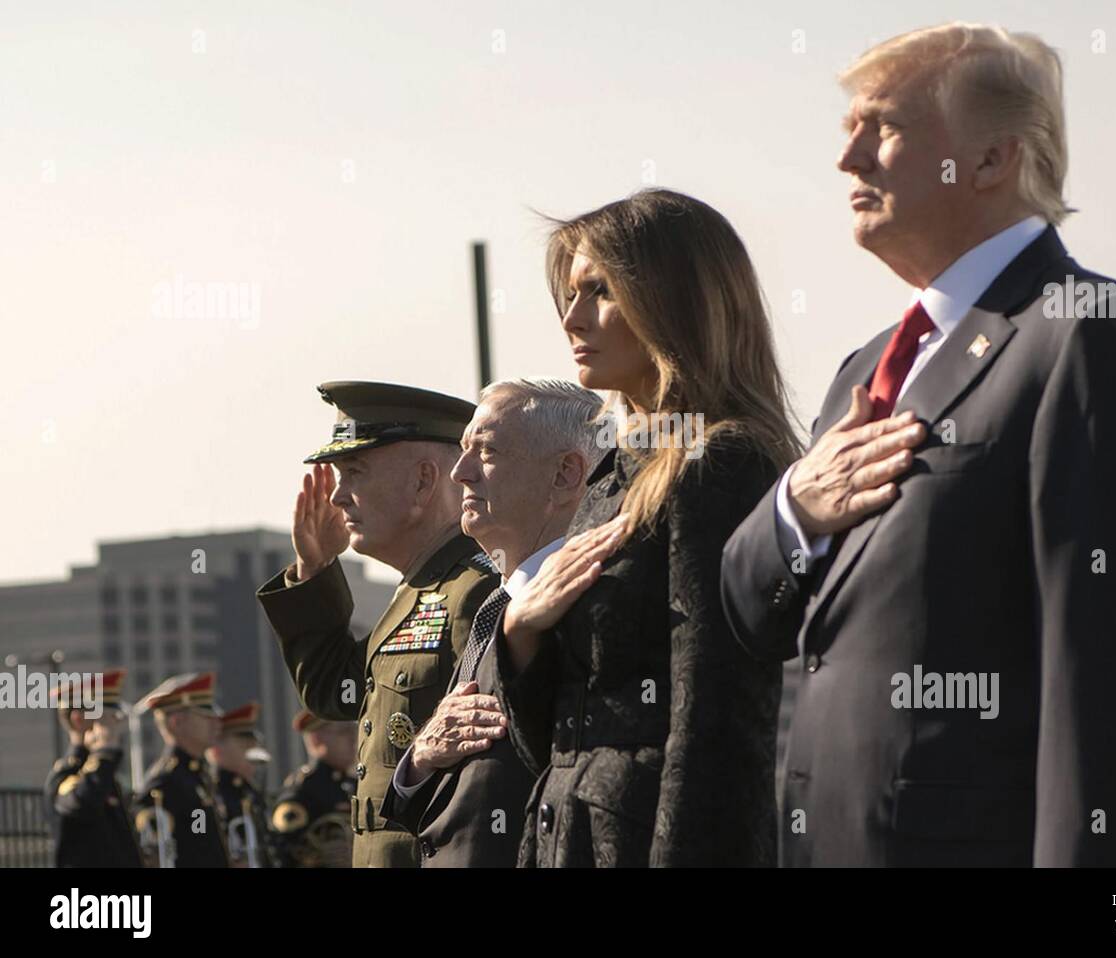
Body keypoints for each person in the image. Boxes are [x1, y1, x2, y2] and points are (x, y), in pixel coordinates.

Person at [720, 23, 1116, 867]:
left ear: (990, 161)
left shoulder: (1089, 337)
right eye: (849, 132)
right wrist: (794, 508)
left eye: (885, 126)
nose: (850, 160)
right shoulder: (863, 371)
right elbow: (748, 612)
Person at [493, 189, 801, 867]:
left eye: (598, 291)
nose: (572, 318)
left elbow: (716, 721)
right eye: (570, 295)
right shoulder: (613, 476)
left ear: (675, 301)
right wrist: (519, 633)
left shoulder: (719, 465)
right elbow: (552, 742)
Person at [257, 381, 497, 867]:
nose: (339, 496)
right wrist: (314, 569)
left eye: (355, 472)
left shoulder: (474, 593)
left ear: (424, 481)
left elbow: (489, 779)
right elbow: (336, 692)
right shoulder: (418, 591)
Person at [382, 379, 603, 866]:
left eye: (486, 451)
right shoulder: (496, 605)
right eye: (463, 451)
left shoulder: (598, 603)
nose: (459, 473)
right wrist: (419, 759)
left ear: (566, 474)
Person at [44, 669, 142, 867]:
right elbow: (83, 802)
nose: (117, 724)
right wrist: (104, 752)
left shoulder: (104, 774)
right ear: (79, 719)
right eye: (108, 717)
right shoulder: (66, 775)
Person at [132, 672, 230, 867]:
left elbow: (201, 837)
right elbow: (155, 853)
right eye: (205, 715)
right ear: (176, 723)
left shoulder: (197, 775)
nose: (216, 722)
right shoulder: (166, 781)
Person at [270, 709, 357, 868]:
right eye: (344, 732)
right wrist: (318, 857)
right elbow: (280, 849)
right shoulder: (302, 790)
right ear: (316, 740)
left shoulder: (354, 784)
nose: (353, 739)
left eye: (354, 730)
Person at [208, 701, 272, 867]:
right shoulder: (213, 792)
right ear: (216, 751)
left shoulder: (250, 790)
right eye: (245, 746)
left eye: (254, 746)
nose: (252, 752)